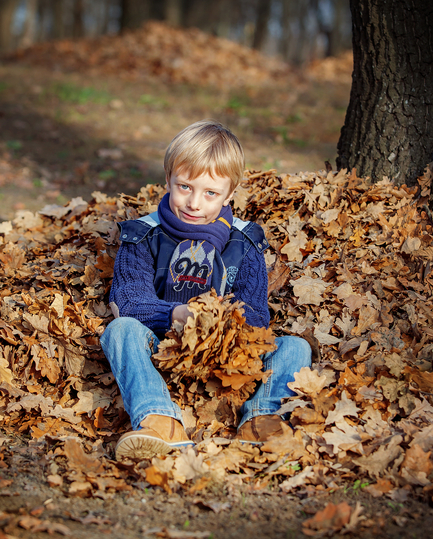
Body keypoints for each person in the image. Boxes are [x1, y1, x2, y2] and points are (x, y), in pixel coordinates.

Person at [100, 119, 312, 459]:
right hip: (160, 347)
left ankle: (261, 420)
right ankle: (159, 421)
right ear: (168, 179)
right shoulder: (143, 234)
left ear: (229, 193)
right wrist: (177, 314)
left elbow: (256, 315)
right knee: (120, 330)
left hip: (226, 353)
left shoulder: (244, 241)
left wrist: (214, 325)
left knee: (295, 348)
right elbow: (130, 301)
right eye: (184, 187)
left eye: (210, 193)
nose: (194, 203)